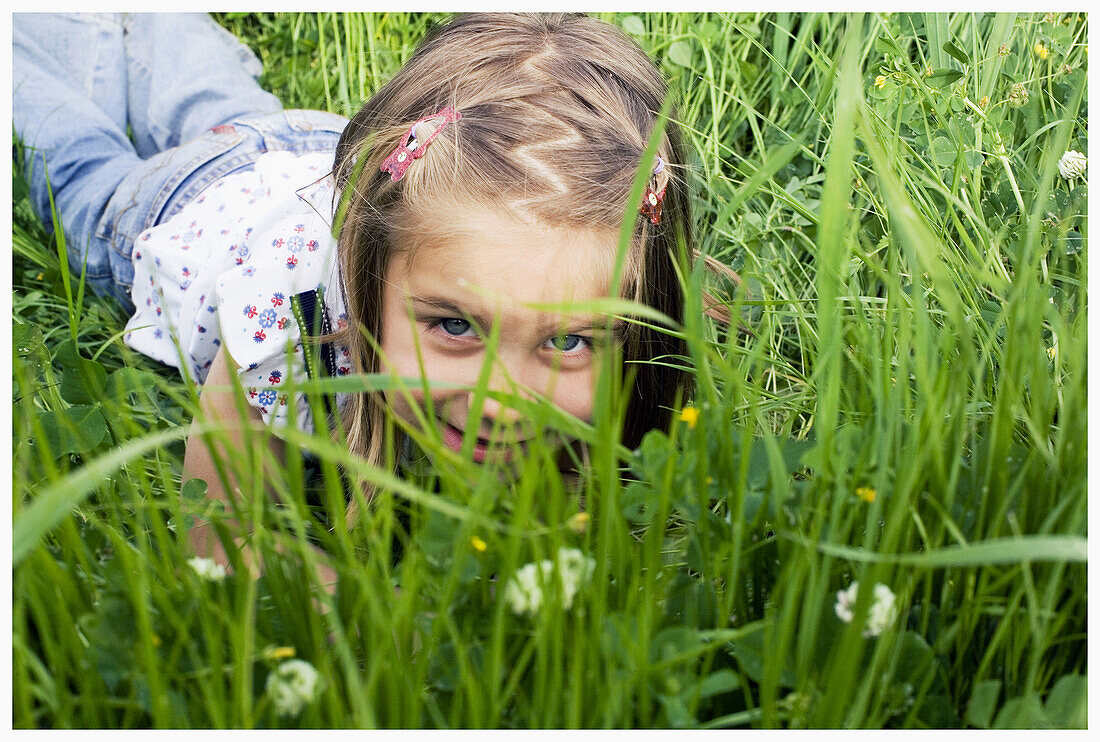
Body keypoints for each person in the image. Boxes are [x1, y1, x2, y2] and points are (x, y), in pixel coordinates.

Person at [13, 12, 734, 576]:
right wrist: (372, 619)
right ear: (367, 271)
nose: (497, 400)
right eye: (455, 326)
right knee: (70, 150)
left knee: (199, 85)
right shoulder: (289, 322)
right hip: (191, 205)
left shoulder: (613, 277)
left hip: (304, 147)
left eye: (567, 340)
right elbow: (219, 535)